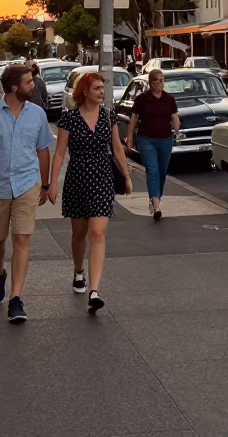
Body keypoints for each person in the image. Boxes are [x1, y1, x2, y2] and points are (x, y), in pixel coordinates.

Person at [0, 64, 52, 323]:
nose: (32, 85)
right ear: (14, 86)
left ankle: (16, 298)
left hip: (27, 184)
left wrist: (45, 185)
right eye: (28, 82)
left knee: (21, 239)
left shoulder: (37, 114)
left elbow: (43, 150)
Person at [48, 72, 132, 311]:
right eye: (96, 88)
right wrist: (53, 183)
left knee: (98, 233)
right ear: (84, 91)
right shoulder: (69, 118)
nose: (101, 92)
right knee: (79, 234)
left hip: (102, 178)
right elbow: (60, 153)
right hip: (77, 179)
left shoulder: (108, 116)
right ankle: (78, 270)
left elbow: (117, 148)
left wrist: (126, 177)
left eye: (102, 89)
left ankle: (94, 291)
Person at [126, 69, 179, 221]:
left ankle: (156, 198)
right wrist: (129, 138)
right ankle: (156, 204)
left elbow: (174, 116)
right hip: (146, 139)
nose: (159, 84)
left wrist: (176, 125)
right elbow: (134, 118)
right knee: (152, 170)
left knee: (162, 173)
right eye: (156, 81)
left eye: (161, 80)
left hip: (165, 140)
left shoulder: (169, 99)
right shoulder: (143, 99)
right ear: (150, 83)